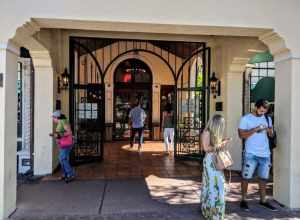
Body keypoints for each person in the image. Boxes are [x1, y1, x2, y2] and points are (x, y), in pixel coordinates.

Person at [238, 99, 277, 211]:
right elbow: (241, 135)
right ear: (256, 107)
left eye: (264, 111)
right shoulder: (246, 119)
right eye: (261, 110)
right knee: (246, 178)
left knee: (264, 179)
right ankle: (244, 200)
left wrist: (270, 131)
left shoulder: (267, 118)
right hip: (251, 153)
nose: (262, 112)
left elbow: (271, 134)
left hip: (265, 154)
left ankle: (263, 200)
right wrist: (255, 129)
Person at [201, 114, 231, 220]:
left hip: (213, 160)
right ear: (217, 124)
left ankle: (212, 212)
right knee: (216, 186)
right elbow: (206, 148)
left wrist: (222, 142)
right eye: (221, 124)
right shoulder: (207, 132)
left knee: (213, 185)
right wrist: (221, 144)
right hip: (210, 161)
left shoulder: (213, 133)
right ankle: (213, 214)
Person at [50, 111, 75, 183]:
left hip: (66, 144)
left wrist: (58, 135)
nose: (53, 119)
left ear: (57, 117)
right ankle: (66, 174)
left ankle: (71, 174)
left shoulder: (63, 122)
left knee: (62, 159)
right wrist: (55, 135)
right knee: (63, 159)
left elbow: (69, 132)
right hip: (63, 144)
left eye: (53, 117)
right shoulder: (61, 122)